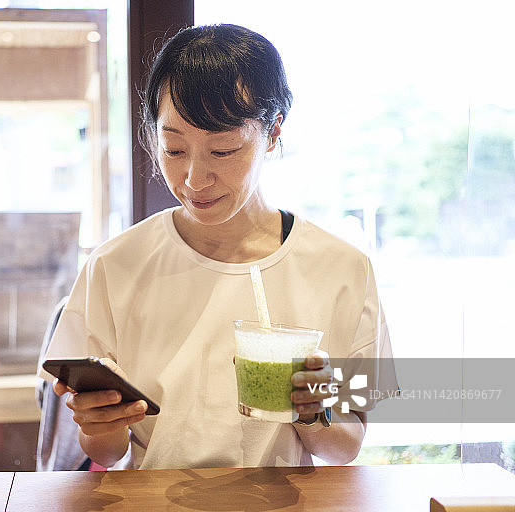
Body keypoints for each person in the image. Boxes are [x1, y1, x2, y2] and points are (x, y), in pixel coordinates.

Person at [39, 23, 397, 470]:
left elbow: (345, 447)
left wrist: (313, 410)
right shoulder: (116, 265)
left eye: (223, 150)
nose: (194, 179)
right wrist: (100, 425)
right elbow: (106, 454)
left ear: (272, 133)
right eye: (173, 150)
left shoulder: (343, 269)